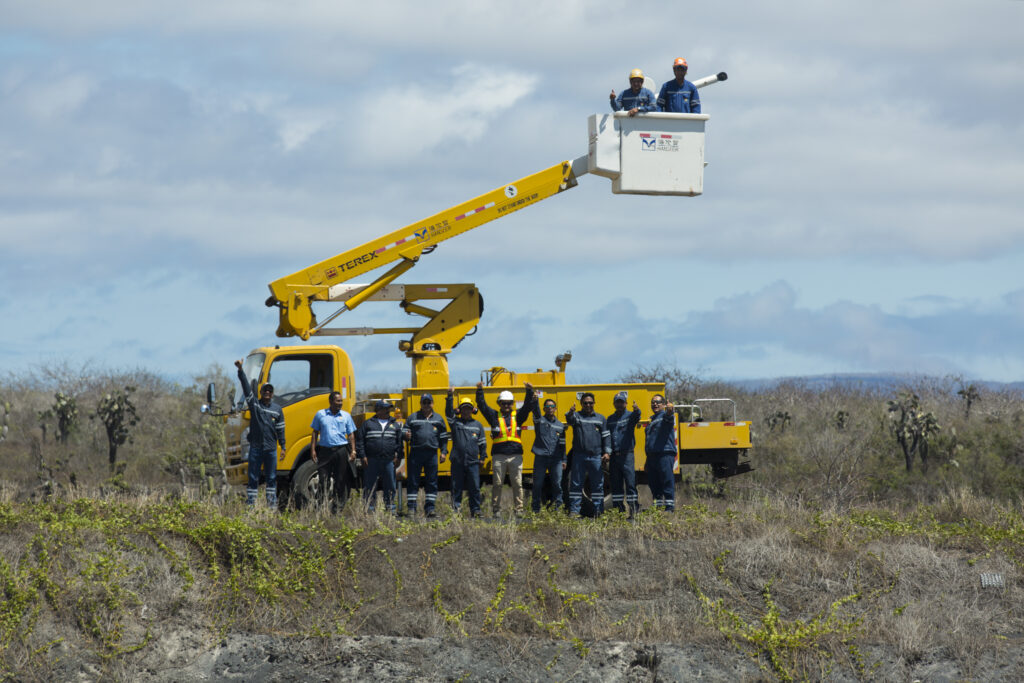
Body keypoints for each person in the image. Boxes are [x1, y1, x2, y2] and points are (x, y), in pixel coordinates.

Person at [476, 381, 534, 518]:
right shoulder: (493, 416)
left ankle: (519, 510)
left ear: (512, 404)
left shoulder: (518, 416)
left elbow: (527, 406)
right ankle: (496, 511)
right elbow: (482, 406)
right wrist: (479, 390)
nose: (506, 406)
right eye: (504, 403)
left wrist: (529, 391)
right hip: (499, 456)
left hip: (516, 456)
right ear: (499, 404)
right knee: (497, 484)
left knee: (518, 484)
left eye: (509, 403)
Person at [234, 359, 286, 508]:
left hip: (271, 449)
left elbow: (281, 429)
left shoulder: (277, 410)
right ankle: (251, 506)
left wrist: (283, 446)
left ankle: (272, 506)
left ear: (272, 393)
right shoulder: (255, 404)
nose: (267, 393)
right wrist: (240, 370)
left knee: (271, 478)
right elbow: (246, 388)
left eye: (270, 391)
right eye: (265, 391)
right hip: (256, 448)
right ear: (261, 393)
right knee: (253, 478)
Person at [402, 393, 448, 518]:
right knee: (413, 481)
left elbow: (444, 438)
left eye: (429, 402)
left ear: (433, 403)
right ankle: (411, 508)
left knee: (432, 482)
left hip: (432, 454)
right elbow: (403, 431)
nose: (427, 405)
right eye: (424, 402)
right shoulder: (413, 417)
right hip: (416, 453)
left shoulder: (438, 419)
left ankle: (430, 509)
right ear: (420, 404)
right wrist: (405, 435)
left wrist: (443, 452)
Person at [310, 390, 357, 512]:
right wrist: (313, 449)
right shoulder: (320, 414)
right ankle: (321, 506)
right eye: (337, 401)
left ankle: (337, 508)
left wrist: (353, 451)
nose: (340, 403)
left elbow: (351, 434)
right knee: (323, 479)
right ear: (330, 401)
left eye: (341, 401)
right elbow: (315, 433)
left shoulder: (346, 415)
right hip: (325, 451)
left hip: (341, 450)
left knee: (340, 480)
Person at [565, 392, 611, 517]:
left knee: (597, 485)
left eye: (590, 403)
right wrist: (570, 412)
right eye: (585, 403)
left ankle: (598, 511)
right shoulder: (577, 416)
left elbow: (606, 436)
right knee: (576, 484)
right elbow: (569, 420)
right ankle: (574, 511)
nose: (588, 405)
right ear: (581, 404)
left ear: (594, 403)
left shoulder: (601, 418)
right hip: (579, 456)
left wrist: (607, 452)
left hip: (596, 457)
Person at [445, 389, 488, 517]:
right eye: (463, 408)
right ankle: (456, 510)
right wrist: (450, 396)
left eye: (469, 408)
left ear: (472, 410)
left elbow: (482, 443)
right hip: (457, 461)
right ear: (460, 410)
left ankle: (475, 510)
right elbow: (448, 412)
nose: (466, 411)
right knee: (456, 487)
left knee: (474, 487)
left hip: (473, 462)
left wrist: (483, 457)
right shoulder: (455, 422)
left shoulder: (478, 425)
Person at [356, 400, 402, 514]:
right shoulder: (368, 424)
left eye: (389, 408)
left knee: (390, 484)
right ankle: (370, 508)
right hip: (371, 460)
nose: (387, 411)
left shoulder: (394, 424)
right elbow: (360, 441)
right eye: (385, 408)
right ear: (378, 410)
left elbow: (399, 443)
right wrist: (362, 456)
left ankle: (390, 507)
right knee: (370, 485)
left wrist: (398, 457)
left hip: (388, 460)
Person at [528, 393, 566, 513]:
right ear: (544, 409)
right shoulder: (540, 421)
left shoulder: (560, 426)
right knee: (537, 484)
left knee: (557, 485)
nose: (550, 408)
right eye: (547, 406)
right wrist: (535, 401)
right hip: (541, 458)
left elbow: (562, 445)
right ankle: (535, 509)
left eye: (552, 406)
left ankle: (558, 509)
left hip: (556, 459)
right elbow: (536, 412)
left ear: (555, 409)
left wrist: (564, 460)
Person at [606, 391, 642, 516]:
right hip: (614, 457)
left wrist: (637, 410)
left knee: (630, 484)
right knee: (616, 485)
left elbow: (637, 416)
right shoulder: (610, 419)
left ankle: (633, 511)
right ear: (614, 404)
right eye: (617, 402)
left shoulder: (630, 416)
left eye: (622, 402)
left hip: (627, 456)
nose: (619, 404)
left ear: (626, 404)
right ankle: (619, 512)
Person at [644, 394, 678, 511]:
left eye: (658, 402)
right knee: (654, 484)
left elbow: (669, 417)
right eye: (653, 402)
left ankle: (669, 509)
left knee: (667, 481)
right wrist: (647, 460)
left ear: (663, 405)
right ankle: (657, 508)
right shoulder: (651, 420)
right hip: (652, 457)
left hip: (664, 454)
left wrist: (669, 411)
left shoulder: (665, 416)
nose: (655, 404)